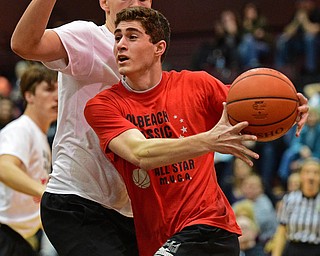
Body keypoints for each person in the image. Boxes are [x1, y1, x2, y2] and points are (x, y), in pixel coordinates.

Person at [84, 7, 309, 256]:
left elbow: (257, 104)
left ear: (159, 48)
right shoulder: (102, 106)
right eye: (117, 37)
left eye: (132, 36)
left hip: (209, 226)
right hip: (158, 237)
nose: (120, 45)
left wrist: (292, 105)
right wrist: (208, 141)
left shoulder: (197, 85)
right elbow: (140, 153)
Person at [11, 0, 153, 255]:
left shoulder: (149, 58)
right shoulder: (88, 36)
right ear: (104, 3)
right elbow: (24, 44)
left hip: (126, 208)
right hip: (76, 199)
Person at [0, 64, 58, 256]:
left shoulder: (40, 137)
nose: (57, 96)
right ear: (28, 96)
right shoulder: (21, 129)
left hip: (18, 237)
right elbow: (4, 168)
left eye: (60, 90)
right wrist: (45, 193)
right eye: (49, 89)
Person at [272, 157, 320, 256]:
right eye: (307, 172)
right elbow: (281, 232)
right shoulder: (289, 199)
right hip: (293, 250)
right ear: (301, 175)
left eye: (316, 173)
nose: (311, 177)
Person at [274, 0, 320, 76]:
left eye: (306, 3)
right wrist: (296, 21)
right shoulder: (297, 14)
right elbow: (287, 32)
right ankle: (280, 69)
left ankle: (311, 70)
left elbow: (314, 30)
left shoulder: (317, 13)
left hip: (315, 43)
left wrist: (304, 20)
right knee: (282, 39)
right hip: (299, 44)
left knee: (309, 38)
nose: (303, 5)